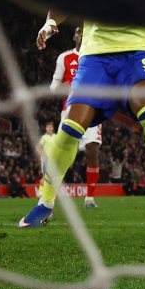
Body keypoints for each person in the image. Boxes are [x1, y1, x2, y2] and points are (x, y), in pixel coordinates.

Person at [23, 14, 145, 227]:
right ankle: (46, 202)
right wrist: (50, 22)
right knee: (70, 128)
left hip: (139, 52)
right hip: (95, 55)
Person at [49, 26, 101, 209]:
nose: (82, 34)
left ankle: (90, 198)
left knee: (92, 150)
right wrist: (71, 84)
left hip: (94, 108)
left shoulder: (98, 55)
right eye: (79, 32)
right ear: (74, 36)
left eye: (85, 31)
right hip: (70, 109)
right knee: (63, 153)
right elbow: (53, 88)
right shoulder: (65, 58)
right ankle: (50, 197)